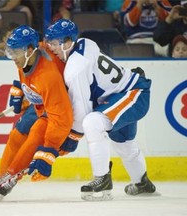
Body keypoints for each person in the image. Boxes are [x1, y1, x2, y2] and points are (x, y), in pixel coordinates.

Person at [45, 19, 156, 201]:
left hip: (134, 94)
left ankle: (102, 178)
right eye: (49, 42)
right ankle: (142, 183)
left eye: (54, 43)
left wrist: (72, 137)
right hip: (123, 93)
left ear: (67, 42)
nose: (51, 47)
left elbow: (82, 112)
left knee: (92, 122)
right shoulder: (85, 42)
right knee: (123, 142)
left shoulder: (75, 69)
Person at [0, 25, 80, 201]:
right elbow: (30, 74)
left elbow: (61, 117)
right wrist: (22, 90)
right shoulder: (27, 55)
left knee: (36, 135)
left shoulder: (49, 76)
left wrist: (49, 150)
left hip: (60, 106)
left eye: (15, 52)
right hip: (42, 102)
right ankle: (1, 176)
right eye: (10, 52)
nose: (12, 57)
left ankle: (11, 176)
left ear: (31, 50)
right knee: (17, 134)